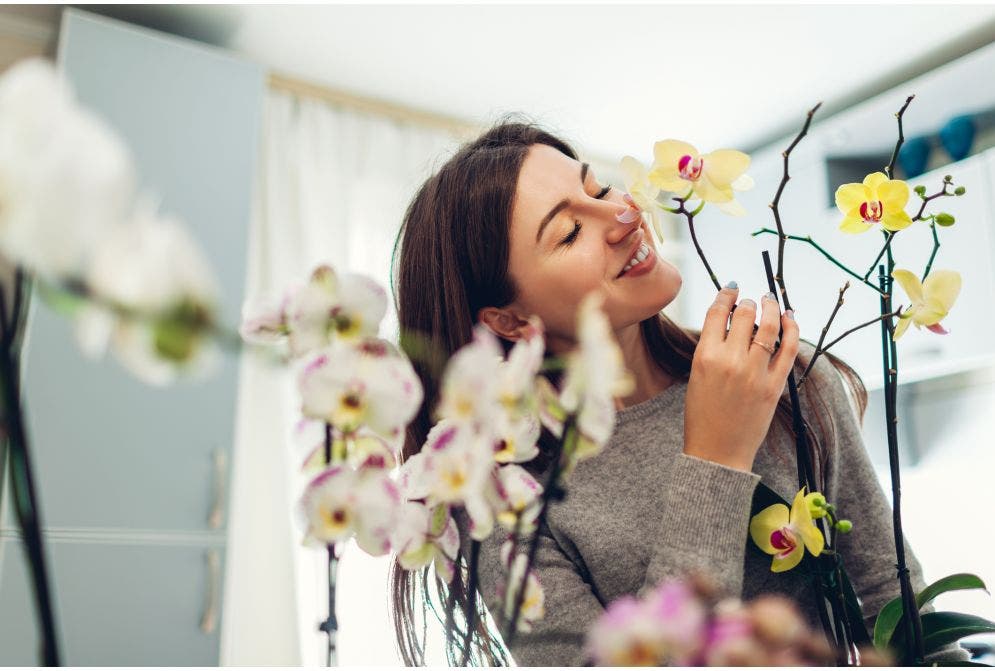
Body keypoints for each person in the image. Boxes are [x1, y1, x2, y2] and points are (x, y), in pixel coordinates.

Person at [388, 120, 945, 666]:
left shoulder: (772, 371)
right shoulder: (503, 504)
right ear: (509, 321)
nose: (621, 215)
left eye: (598, 188)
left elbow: (897, 610)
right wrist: (716, 455)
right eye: (568, 232)